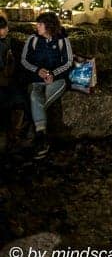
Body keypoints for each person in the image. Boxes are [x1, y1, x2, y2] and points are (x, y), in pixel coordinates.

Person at [21, 11, 73, 159]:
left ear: (49, 26)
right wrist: (38, 71)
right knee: (35, 94)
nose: (37, 26)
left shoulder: (63, 40)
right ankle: (42, 138)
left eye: (40, 24)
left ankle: (36, 132)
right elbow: (24, 60)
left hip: (58, 80)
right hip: (36, 80)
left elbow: (68, 62)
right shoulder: (32, 39)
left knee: (37, 101)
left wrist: (53, 74)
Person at [0, 16, 30, 151]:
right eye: (3, 28)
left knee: (19, 102)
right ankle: (12, 136)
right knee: (15, 102)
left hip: (7, 83)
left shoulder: (7, 41)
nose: (6, 30)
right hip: (3, 84)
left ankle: (13, 135)